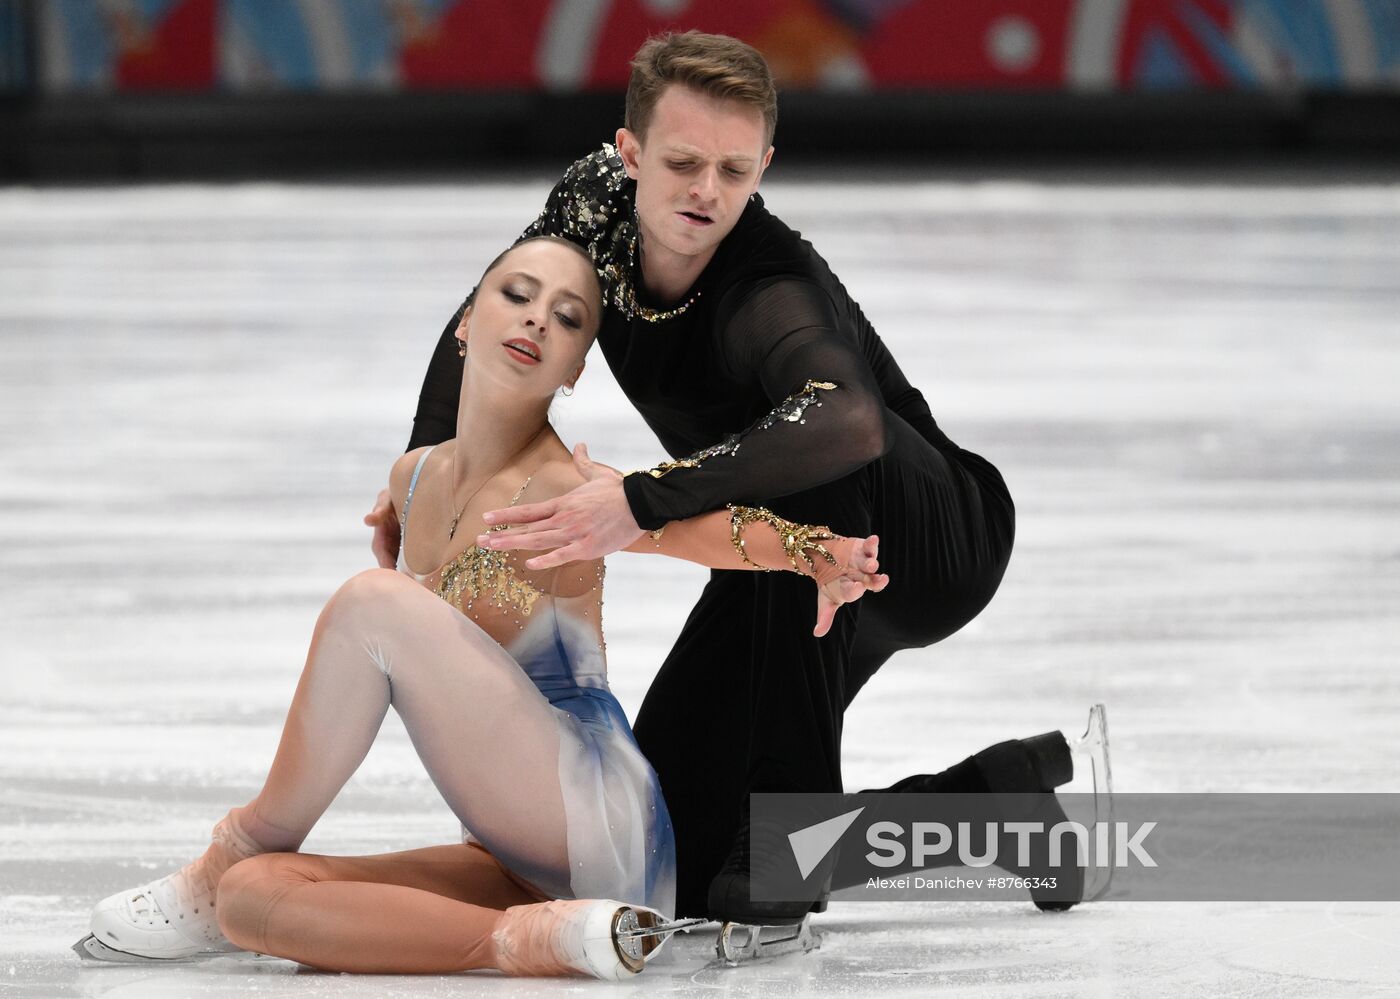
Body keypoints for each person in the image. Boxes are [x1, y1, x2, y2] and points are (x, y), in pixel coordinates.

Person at [365, 31, 1094, 923]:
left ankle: (794, 810)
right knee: (674, 855)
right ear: (628, 154)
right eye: (681, 163)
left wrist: (636, 502)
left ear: (764, 167)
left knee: (814, 443)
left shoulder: (767, 288)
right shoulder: (591, 208)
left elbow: (849, 417)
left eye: (735, 170)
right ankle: (993, 808)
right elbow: (493, 309)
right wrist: (432, 465)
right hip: (781, 546)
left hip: (934, 533)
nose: (707, 192)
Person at [77, 236, 888, 978]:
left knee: (372, 604)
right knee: (255, 898)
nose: (538, 317)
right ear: (467, 322)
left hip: (594, 811)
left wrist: (817, 552)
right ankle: (542, 938)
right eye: (517, 294)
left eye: (568, 317)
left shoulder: (569, 486)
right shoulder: (414, 479)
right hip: (520, 856)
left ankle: (235, 845)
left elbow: (698, 531)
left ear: (573, 368)